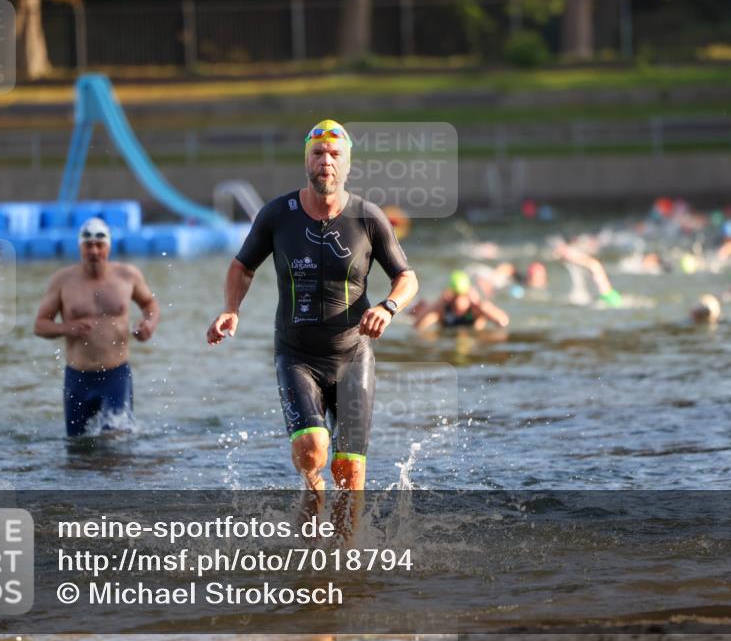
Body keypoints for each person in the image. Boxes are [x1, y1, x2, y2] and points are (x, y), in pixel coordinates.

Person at [206, 119, 418, 495]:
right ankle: (312, 491)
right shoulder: (277, 215)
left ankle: (343, 552)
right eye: (318, 153)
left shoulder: (367, 217)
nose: (326, 161)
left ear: (348, 165)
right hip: (297, 356)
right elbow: (242, 266)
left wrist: (388, 307)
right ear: (306, 162)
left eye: (335, 154)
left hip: (353, 355)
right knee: (312, 447)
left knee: (350, 474)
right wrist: (231, 309)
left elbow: (406, 277)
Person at [34, 218, 160, 437]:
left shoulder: (127, 275)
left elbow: (150, 304)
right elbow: (40, 325)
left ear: (108, 247)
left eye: (99, 245)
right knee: (77, 445)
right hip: (77, 378)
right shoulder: (63, 280)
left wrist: (148, 324)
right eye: (88, 245)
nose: (93, 250)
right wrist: (66, 328)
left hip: (115, 376)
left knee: (115, 440)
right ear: (80, 247)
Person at [413, 271, 510, 331]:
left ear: (468, 294)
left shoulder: (477, 309)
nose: (459, 301)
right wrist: (439, 303)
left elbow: (502, 322)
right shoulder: (443, 309)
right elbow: (418, 326)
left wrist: (479, 303)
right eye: (456, 296)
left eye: (462, 296)